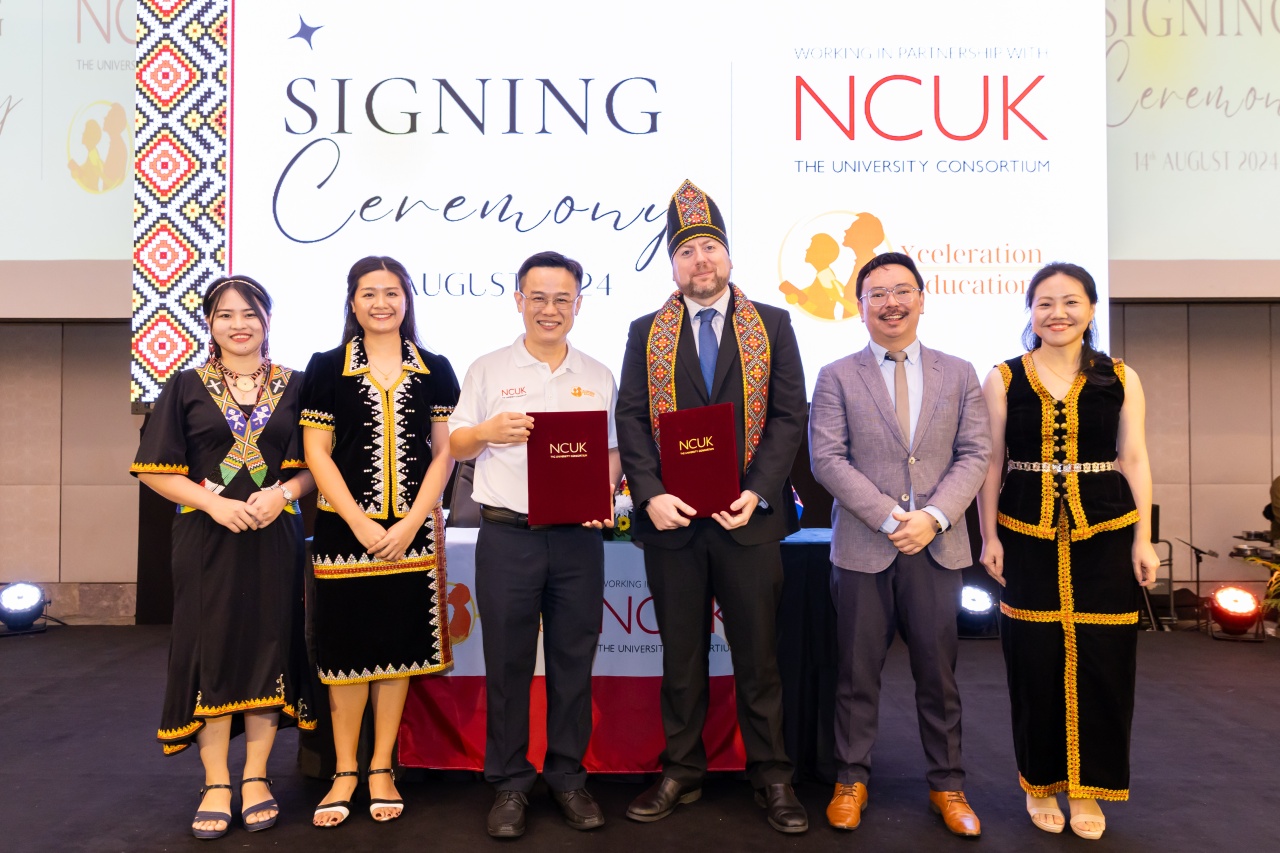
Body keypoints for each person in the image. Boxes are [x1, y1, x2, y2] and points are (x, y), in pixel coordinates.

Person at [616, 179, 809, 834]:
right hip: (672, 524)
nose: (701, 261)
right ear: (673, 264)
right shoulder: (647, 332)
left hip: (748, 521)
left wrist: (756, 491)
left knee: (758, 657)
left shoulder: (773, 325)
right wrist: (651, 493)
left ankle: (773, 776)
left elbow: (788, 416)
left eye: (710, 248)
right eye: (687, 251)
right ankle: (682, 769)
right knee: (681, 657)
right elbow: (633, 421)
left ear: (728, 256)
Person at [808, 251, 991, 836]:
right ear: (859, 306)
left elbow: (976, 454)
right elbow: (827, 459)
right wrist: (891, 517)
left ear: (920, 297)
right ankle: (850, 779)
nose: (891, 302)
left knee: (939, 675)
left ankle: (948, 786)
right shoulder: (836, 375)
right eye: (877, 293)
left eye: (901, 290)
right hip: (864, 546)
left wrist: (933, 516)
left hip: (937, 547)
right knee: (857, 673)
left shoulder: (959, 372)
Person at [977, 262, 1158, 841]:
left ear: (1092, 309)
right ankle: (1040, 782)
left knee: (1106, 658)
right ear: (1030, 311)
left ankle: (1088, 790)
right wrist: (988, 536)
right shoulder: (1004, 378)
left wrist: (1144, 537)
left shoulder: (1121, 376)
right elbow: (991, 462)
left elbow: (1134, 458)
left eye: (1071, 302)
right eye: (1045, 302)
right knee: (1033, 658)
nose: (1057, 313)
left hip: (1106, 528)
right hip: (1025, 530)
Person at [132, 275, 317, 839]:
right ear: (209, 324)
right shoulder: (184, 386)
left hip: (273, 536)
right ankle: (216, 780)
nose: (239, 324)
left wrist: (283, 493)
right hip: (206, 539)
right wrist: (213, 507)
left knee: (268, 644)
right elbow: (154, 469)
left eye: (250, 314)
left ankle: (257, 775)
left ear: (267, 320)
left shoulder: (299, 385)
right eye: (225, 315)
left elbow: (320, 465)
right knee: (207, 650)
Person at [448, 250, 620, 838]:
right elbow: (458, 444)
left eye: (562, 299)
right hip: (507, 536)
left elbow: (612, 451)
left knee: (575, 659)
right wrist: (488, 431)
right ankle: (510, 783)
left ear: (578, 304)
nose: (550, 309)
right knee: (509, 662)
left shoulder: (597, 374)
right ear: (518, 300)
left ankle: (568, 776)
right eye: (539, 297)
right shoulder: (488, 369)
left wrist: (603, 491)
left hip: (577, 540)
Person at [301, 256, 459, 828]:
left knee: (396, 651)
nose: (381, 303)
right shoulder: (325, 369)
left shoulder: (435, 369)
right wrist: (362, 523)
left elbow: (445, 451)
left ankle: (381, 768)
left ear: (407, 300)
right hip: (345, 534)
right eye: (369, 293)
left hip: (412, 533)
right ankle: (345, 770)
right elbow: (317, 453)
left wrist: (415, 519)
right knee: (348, 655)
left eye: (392, 293)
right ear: (352, 302)